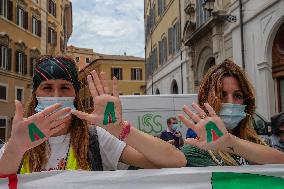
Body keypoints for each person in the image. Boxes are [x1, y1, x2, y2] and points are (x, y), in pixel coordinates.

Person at [0, 56, 186, 175]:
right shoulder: (20, 141)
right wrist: (16, 148)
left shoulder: (96, 138)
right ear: (35, 95)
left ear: (75, 94)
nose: (56, 95)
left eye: (65, 87)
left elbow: (177, 161)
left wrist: (122, 130)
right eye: (47, 87)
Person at [178, 59, 284, 166]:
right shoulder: (194, 152)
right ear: (206, 100)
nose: (231, 102)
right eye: (222, 95)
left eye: (237, 95)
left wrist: (230, 142)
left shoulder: (255, 142)